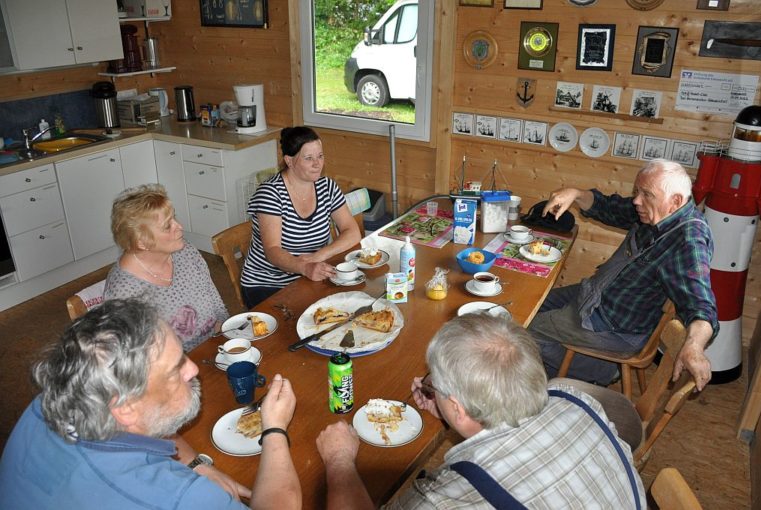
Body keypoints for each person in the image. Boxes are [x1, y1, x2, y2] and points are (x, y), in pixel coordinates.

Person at [316, 314, 645, 509]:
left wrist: (339, 461)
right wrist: (450, 412)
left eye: (434, 381)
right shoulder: (574, 397)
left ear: (458, 407)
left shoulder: (448, 498)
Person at [0, 299, 300, 510]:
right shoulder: (178, 496)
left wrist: (196, 464)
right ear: (126, 407)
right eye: (175, 370)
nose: (193, 369)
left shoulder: (54, 398)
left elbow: (151, 417)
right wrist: (273, 428)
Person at [529, 159, 718, 390]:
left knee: (523, 331)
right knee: (530, 303)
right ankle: (562, 367)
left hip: (613, 324)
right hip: (597, 293)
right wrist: (576, 194)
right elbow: (609, 207)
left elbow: (701, 305)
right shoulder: (655, 210)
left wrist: (695, 346)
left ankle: (599, 369)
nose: (637, 200)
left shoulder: (688, 240)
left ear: (675, 201)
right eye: (637, 192)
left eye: (646, 194)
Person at [240, 126, 362, 308]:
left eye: (320, 156)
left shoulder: (326, 186)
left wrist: (318, 256)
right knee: (315, 322)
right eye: (308, 158)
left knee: (349, 306)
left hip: (311, 274)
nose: (317, 164)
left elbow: (352, 232)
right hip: (268, 283)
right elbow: (273, 250)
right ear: (289, 161)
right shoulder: (270, 194)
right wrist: (304, 267)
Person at [104, 184, 228, 351]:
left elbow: (217, 306)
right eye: (167, 226)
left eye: (174, 217)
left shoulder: (186, 252)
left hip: (216, 347)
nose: (179, 226)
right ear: (141, 242)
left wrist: (227, 331)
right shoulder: (124, 293)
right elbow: (138, 361)